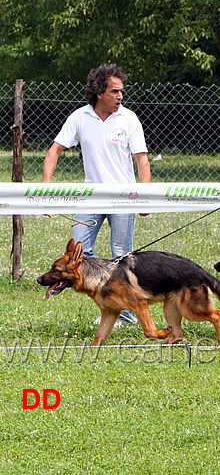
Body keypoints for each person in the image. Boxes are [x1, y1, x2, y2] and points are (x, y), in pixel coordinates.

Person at [43, 63, 151, 326]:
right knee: (80, 251)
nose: (120, 96)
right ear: (99, 93)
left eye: (121, 91)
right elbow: (53, 152)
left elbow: (142, 160)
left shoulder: (129, 118)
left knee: (122, 256)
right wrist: (46, 189)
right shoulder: (79, 117)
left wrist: (144, 195)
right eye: (115, 91)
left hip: (123, 198)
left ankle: (125, 315)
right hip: (90, 197)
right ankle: (108, 303)